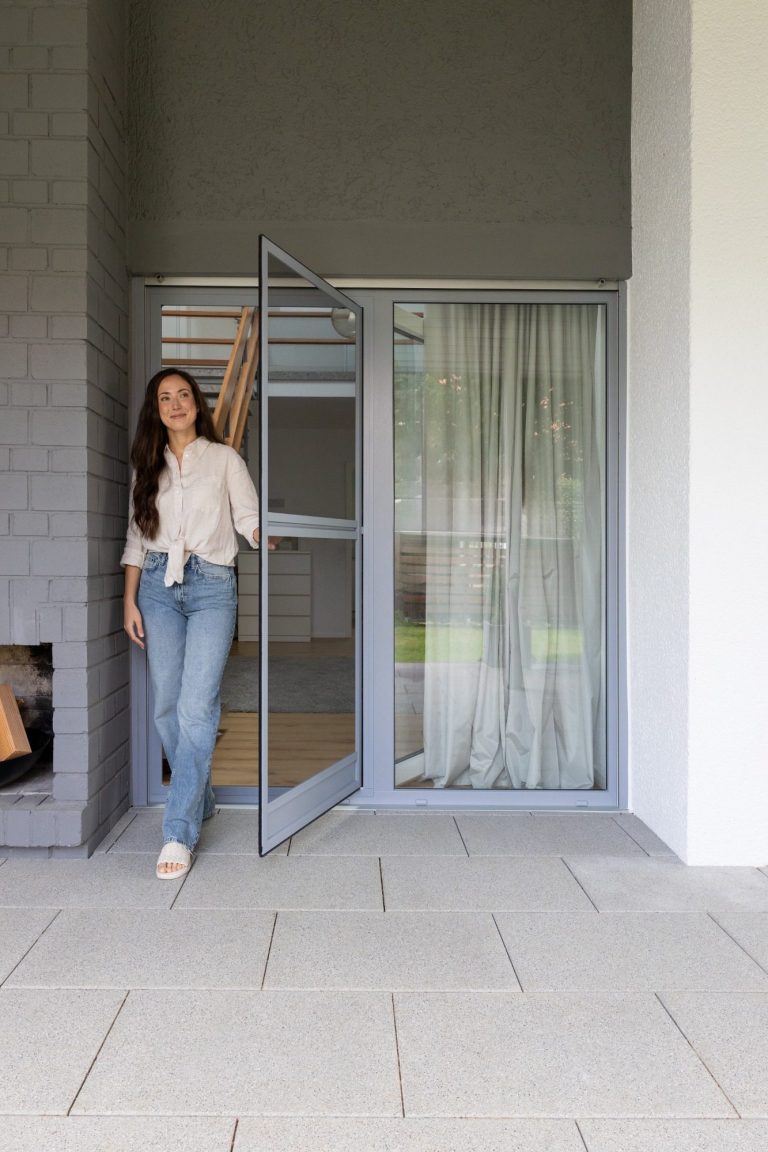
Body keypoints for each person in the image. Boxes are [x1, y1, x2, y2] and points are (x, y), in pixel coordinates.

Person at [122, 367, 270, 878]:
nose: (175, 404)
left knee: (196, 706)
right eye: (165, 397)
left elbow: (248, 515)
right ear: (156, 409)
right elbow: (137, 539)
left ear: (196, 404)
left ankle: (178, 831)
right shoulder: (147, 466)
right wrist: (129, 601)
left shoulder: (225, 459)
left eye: (183, 394)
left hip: (211, 586)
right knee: (167, 705)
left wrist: (262, 534)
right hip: (156, 587)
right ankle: (200, 796)